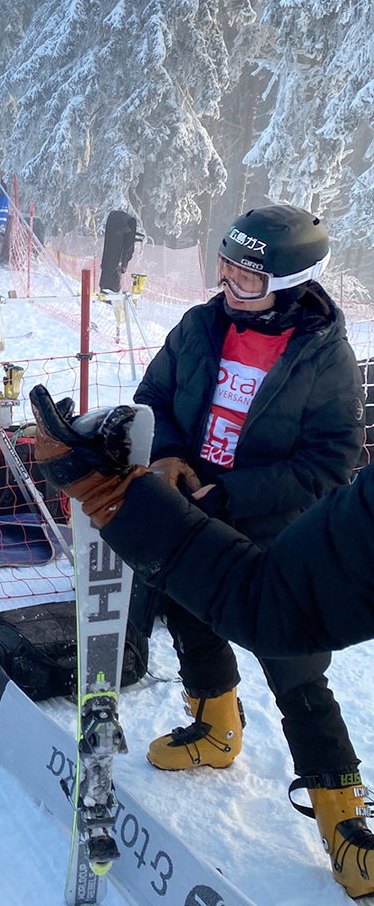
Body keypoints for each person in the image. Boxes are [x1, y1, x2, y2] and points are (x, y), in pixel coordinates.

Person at [29, 203, 374, 901]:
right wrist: (176, 460)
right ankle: (216, 724)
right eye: (224, 270)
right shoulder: (199, 326)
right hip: (186, 501)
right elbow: (155, 396)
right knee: (190, 612)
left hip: (276, 527)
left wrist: (223, 494)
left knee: (296, 671)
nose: (229, 288)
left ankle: (344, 821)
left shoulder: (324, 357)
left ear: (293, 281)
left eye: (247, 279)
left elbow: (330, 464)